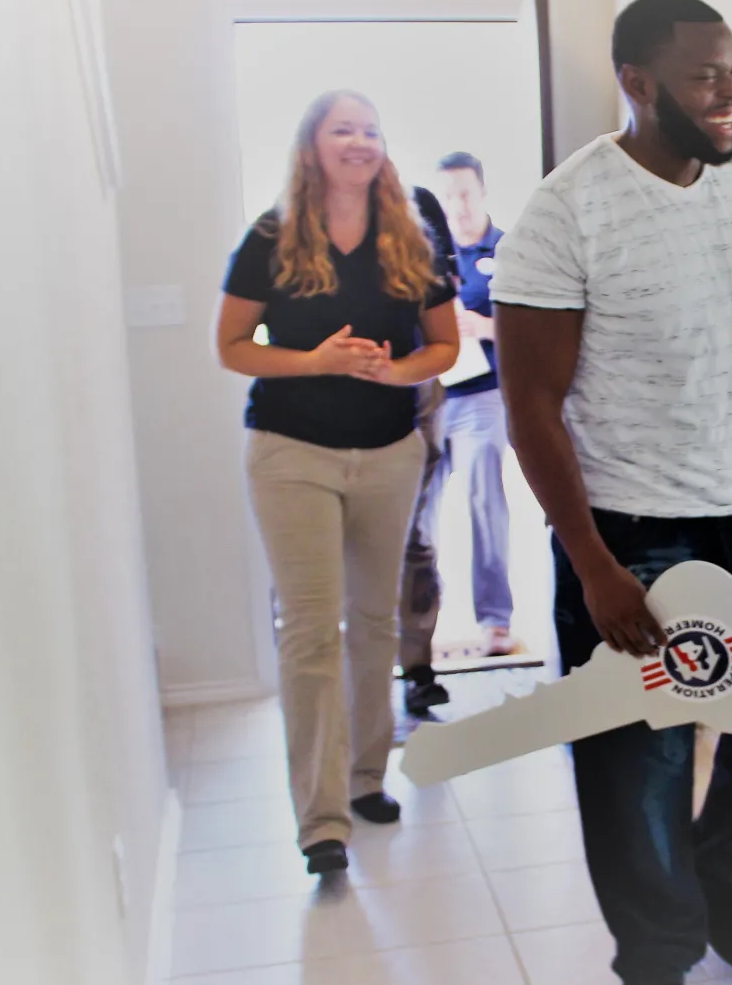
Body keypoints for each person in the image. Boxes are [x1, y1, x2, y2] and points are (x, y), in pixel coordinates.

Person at [492, 0, 732, 985]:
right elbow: (531, 408)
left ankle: (717, 882)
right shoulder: (565, 212)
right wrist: (590, 563)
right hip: (630, 528)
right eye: (704, 77)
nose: (729, 93)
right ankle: (659, 952)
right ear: (638, 83)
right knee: (641, 758)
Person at [214, 90, 460, 876]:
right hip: (293, 453)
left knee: (376, 622)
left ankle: (365, 779)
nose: (360, 141)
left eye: (370, 130)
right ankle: (321, 821)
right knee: (312, 630)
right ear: (311, 147)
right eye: (342, 129)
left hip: (390, 453)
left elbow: (444, 346)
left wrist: (396, 372)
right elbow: (232, 345)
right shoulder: (273, 234)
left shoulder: (411, 232)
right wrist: (316, 361)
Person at [431, 151, 517, 656]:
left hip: (483, 395)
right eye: (447, 197)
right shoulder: (425, 255)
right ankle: (417, 623)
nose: (457, 206)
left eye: (464, 193)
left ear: (481, 191)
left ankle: (495, 620)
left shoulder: (510, 251)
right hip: (429, 398)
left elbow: (536, 329)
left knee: (484, 496)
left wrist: (483, 326)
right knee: (417, 512)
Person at [397, 184, 458, 714]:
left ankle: (418, 669)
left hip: (415, 401)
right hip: (332, 410)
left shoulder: (420, 207)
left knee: (415, 543)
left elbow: (446, 310)